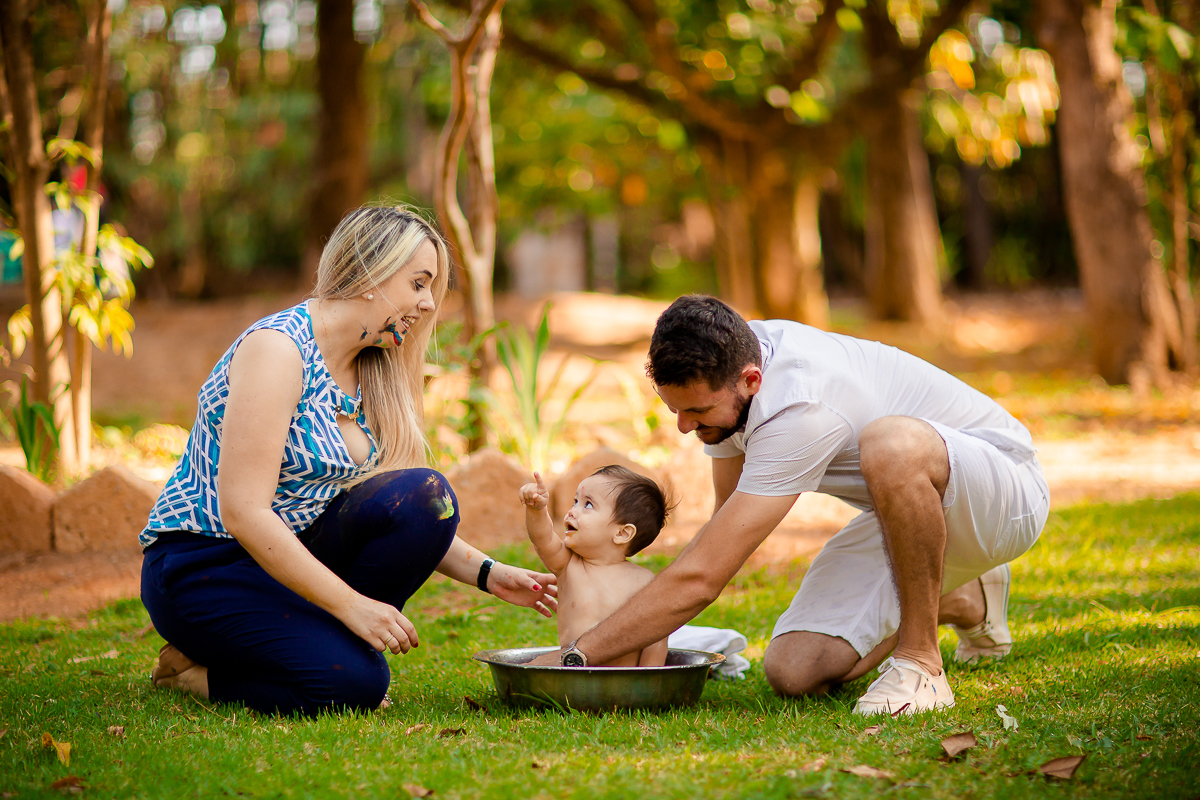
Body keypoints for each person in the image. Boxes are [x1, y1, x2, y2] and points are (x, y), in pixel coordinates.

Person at [532, 295, 1048, 716]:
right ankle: (964, 597)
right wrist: (647, 627)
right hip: (913, 519)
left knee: (891, 444)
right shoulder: (728, 369)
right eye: (675, 409)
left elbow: (703, 577)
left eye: (695, 411)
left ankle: (921, 662)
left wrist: (577, 658)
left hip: (1004, 491)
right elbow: (723, 529)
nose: (684, 427)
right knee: (794, 670)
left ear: (751, 381)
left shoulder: (800, 405)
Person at [140, 205, 557, 716]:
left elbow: (392, 506)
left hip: (289, 554)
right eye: (420, 284)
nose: (428, 305)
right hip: (205, 565)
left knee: (428, 497)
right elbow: (244, 511)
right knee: (354, 685)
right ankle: (196, 675)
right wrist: (352, 606)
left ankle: (301, 648)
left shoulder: (373, 368)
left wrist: (489, 573)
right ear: (370, 273)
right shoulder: (278, 351)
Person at [519, 466, 669, 667]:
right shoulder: (569, 565)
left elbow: (656, 636)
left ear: (622, 533)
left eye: (588, 505)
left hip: (624, 681)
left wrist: (650, 681)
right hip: (575, 672)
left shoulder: (644, 581)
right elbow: (542, 539)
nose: (572, 511)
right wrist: (537, 510)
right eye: (575, 502)